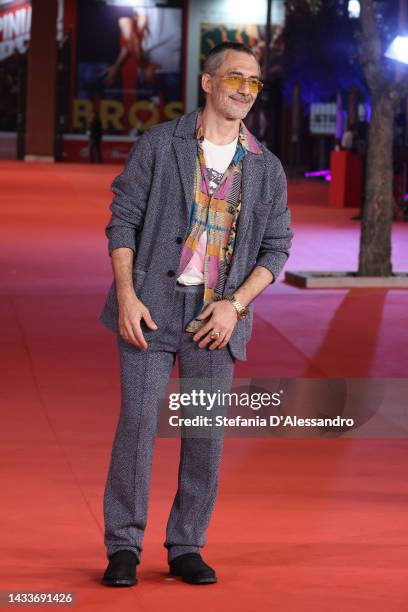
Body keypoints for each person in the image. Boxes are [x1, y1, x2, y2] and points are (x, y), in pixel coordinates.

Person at [99, 42, 293, 587]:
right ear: (207, 83)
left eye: (254, 83)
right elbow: (122, 222)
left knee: (204, 436)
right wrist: (126, 296)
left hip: (216, 320)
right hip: (151, 310)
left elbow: (277, 248)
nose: (245, 91)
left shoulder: (265, 168)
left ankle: (186, 544)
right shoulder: (161, 145)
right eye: (235, 78)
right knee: (137, 426)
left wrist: (235, 305)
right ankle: (123, 546)